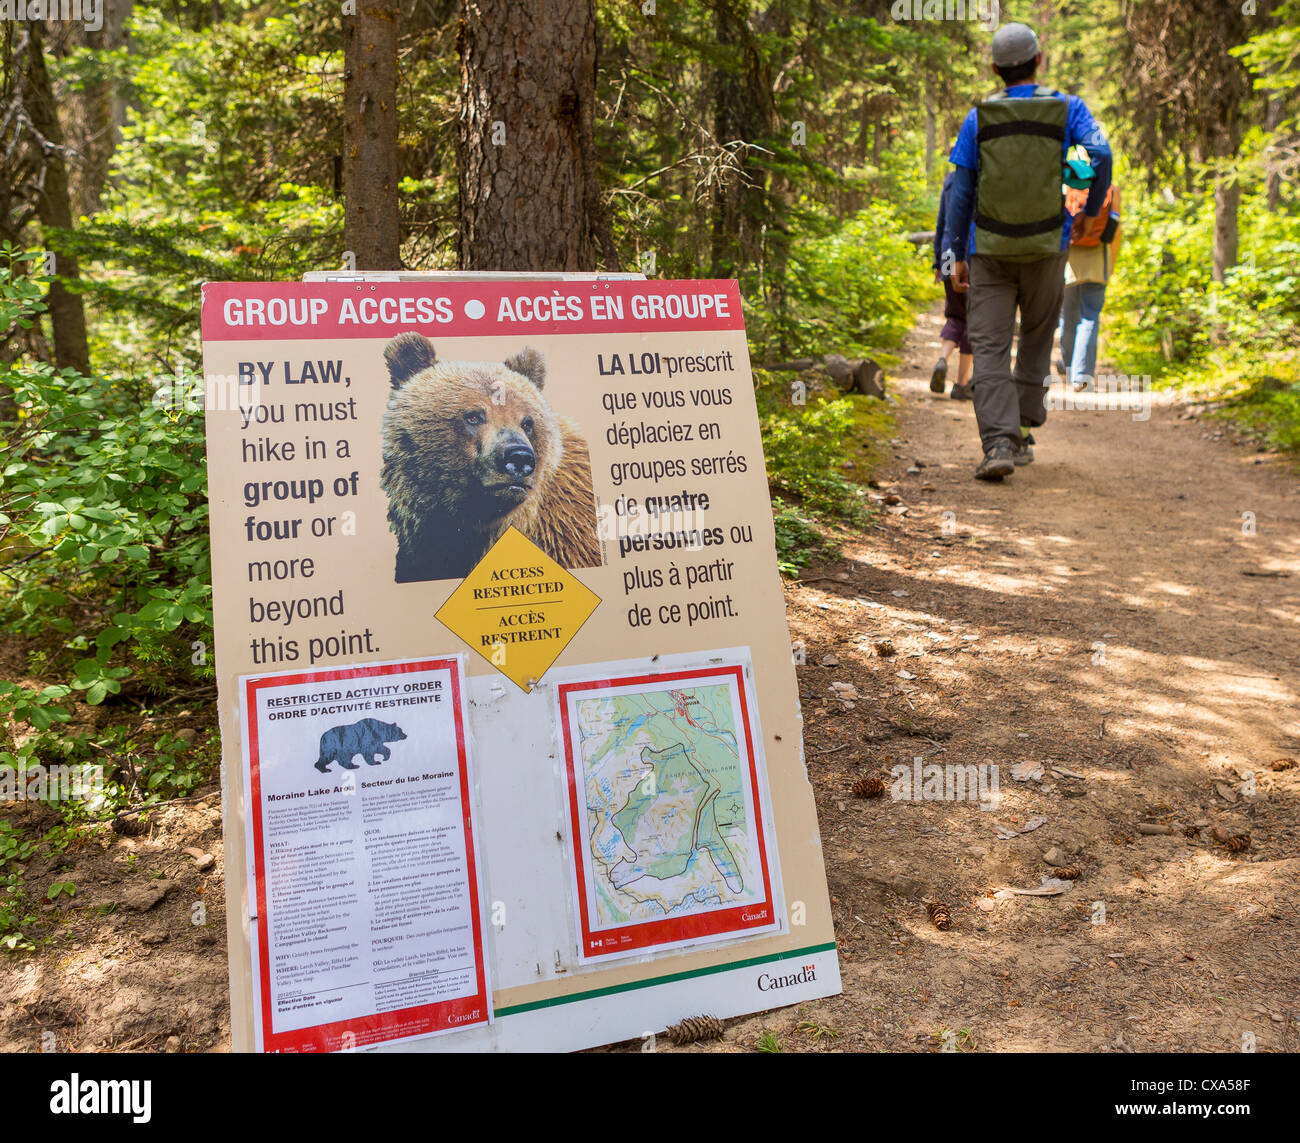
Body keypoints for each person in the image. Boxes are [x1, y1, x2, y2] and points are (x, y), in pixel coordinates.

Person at [943, 22, 1112, 481]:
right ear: (1039, 61)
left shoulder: (978, 117)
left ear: (995, 68)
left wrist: (956, 253)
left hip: (990, 251)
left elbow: (961, 191)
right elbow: (1101, 153)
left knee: (991, 344)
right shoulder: (1068, 108)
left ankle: (998, 441)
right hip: (1046, 247)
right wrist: (1088, 211)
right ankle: (1020, 427)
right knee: (1037, 335)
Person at [1059, 179, 1122, 392]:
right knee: (1089, 317)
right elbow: (1114, 225)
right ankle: (1081, 376)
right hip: (1097, 260)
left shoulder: (1067, 187)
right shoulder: (1110, 189)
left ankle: (1069, 369)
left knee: (1067, 317)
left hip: (1069, 262)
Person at [930, 170, 974, 400]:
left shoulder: (949, 180)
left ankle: (942, 359)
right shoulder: (978, 179)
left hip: (948, 253)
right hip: (969, 254)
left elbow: (941, 222)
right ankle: (961, 384)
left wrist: (938, 261)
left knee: (955, 314)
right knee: (973, 319)